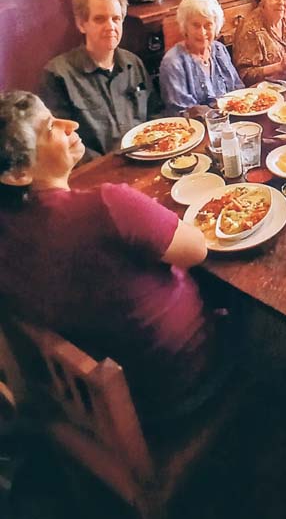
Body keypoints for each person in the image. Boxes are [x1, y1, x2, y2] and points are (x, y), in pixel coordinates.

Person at [0, 92, 222, 430]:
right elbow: (198, 249)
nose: (70, 125)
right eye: (50, 127)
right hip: (177, 388)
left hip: (93, 405)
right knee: (253, 302)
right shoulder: (106, 205)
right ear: (17, 174)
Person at [40, 0, 152, 160]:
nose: (111, 26)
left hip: (146, 158)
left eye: (116, 19)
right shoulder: (58, 75)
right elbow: (61, 142)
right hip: (96, 170)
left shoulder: (134, 63)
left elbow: (156, 112)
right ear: (81, 24)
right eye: (100, 19)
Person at [159, 0, 243, 115]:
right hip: (195, 125)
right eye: (196, 25)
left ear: (216, 26)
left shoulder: (219, 50)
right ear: (185, 27)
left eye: (208, 25)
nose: (202, 32)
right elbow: (182, 112)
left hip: (233, 119)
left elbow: (238, 90)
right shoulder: (173, 62)